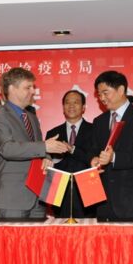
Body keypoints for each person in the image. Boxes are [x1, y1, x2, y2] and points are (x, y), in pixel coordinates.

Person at [0, 68, 70, 218]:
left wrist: (47, 157)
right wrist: (44, 146)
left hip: (38, 195)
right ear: (12, 89)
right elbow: (7, 149)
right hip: (13, 197)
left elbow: (38, 149)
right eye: (28, 87)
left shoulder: (31, 117)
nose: (33, 91)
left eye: (33, 87)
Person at [89, 71, 133, 221]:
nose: (101, 98)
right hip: (105, 204)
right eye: (99, 94)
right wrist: (94, 159)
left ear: (120, 90)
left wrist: (114, 157)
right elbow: (94, 150)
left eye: (105, 93)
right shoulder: (99, 121)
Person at [45, 90, 95, 218]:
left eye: (76, 102)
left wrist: (72, 149)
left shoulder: (95, 130)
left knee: (88, 227)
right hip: (59, 192)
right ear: (63, 107)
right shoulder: (53, 133)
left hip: (89, 188)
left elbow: (94, 158)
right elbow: (48, 163)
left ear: (83, 107)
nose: (71, 106)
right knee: (60, 228)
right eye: (67, 103)